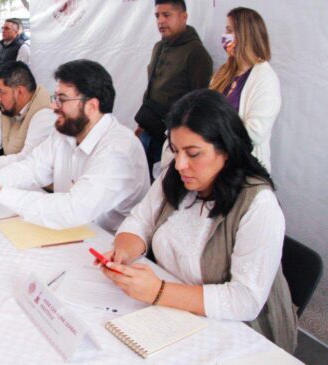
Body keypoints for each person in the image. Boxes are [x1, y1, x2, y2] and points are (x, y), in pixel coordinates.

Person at [99, 89, 296, 352]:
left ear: (225, 149)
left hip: (242, 333)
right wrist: (122, 253)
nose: (180, 164)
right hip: (178, 313)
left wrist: (159, 291)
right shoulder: (176, 176)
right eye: (175, 150)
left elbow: (245, 299)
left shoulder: (258, 205)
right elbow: (140, 222)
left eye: (193, 154)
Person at [0, 60, 149, 232]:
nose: (53, 107)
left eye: (62, 99)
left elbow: (73, 210)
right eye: (55, 97)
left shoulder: (118, 149)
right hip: (72, 232)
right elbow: (33, 168)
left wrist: (0, 194)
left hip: (107, 245)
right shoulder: (66, 131)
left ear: (91, 106)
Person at [134, 0, 212, 176]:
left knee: (163, 188)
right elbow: (153, 88)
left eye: (166, 15)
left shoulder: (197, 53)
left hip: (172, 138)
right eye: (157, 16)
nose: (160, 21)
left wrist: (181, 142)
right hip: (149, 128)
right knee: (143, 181)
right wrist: (142, 125)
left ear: (184, 17)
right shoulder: (159, 46)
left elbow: (199, 102)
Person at [209, 7, 280, 171]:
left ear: (245, 35)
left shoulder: (266, 79)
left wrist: (213, 134)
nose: (224, 36)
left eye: (229, 30)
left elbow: (254, 133)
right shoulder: (224, 72)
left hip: (244, 169)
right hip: (217, 165)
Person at [0, 18, 30, 87]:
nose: (3, 31)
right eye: (3, 28)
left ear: (16, 31)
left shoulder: (22, 48)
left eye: (7, 28)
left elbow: (21, 72)